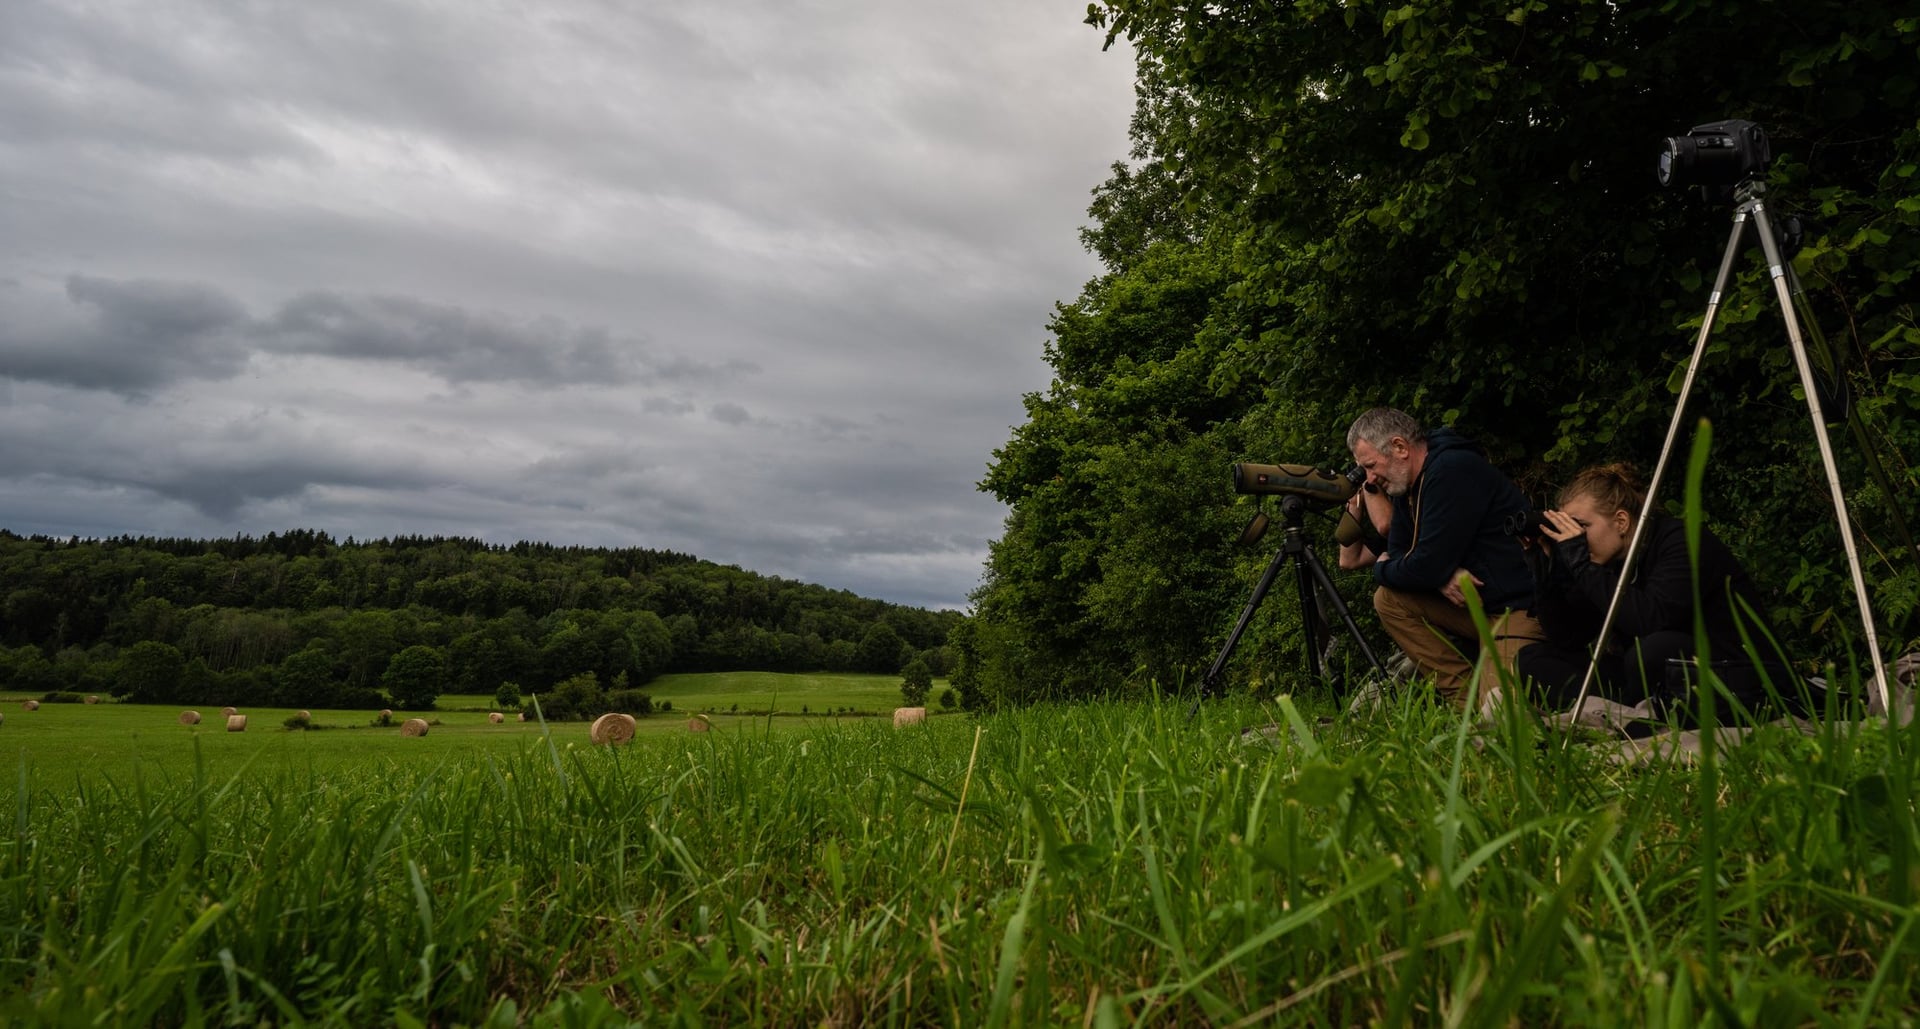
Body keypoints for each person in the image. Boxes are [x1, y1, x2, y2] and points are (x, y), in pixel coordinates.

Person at [1515, 462, 1792, 718]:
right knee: (1533, 660)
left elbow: (1651, 620)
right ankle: (1624, 713)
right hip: (1654, 678)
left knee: (1654, 650)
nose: (1575, 536)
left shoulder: (1682, 540)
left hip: (1734, 673)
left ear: (1621, 521)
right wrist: (1546, 574)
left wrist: (1583, 566)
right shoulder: (1604, 562)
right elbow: (1568, 638)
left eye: (1582, 526)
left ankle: (1627, 714)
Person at [1343, 407, 1542, 708]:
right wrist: (1438, 576)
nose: (1369, 479)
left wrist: (1390, 569)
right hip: (1477, 607)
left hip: (1516, 609)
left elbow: (1423, 564)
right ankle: (1465, 704)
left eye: (1370, 466)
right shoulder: (1407, 487)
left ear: (1399, 447)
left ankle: (1486, 706)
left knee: (1502, 713)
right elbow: (1402, 553)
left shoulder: (1452, 469)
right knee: (1389, 599)